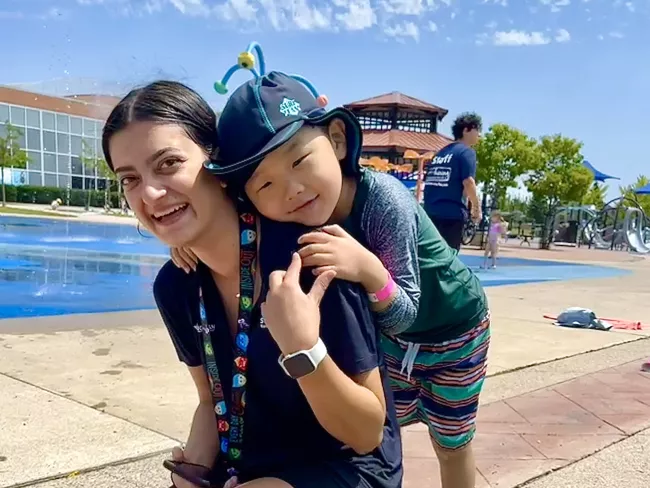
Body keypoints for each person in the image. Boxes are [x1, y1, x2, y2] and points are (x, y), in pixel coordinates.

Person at [175, 71, 490, 488]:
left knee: (450, 439)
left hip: (452, 328)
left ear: (337, 140)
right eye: (265, 183)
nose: (293, 190)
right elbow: (224, 218)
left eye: (301, 161)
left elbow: (404, 312)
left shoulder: (383, 199)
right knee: (382, 426)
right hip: (392, 341)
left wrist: (367, 269)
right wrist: (188, 237)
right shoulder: (283, 222)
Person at [102, 80, 402, 488]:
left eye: (168, 164)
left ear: (218, 166)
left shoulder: (309, 259)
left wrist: (302, 349)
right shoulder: (176, 286)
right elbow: (211, 402)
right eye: (129, 179)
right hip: (250, 467)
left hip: (345, 466)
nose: (150, 193)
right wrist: (191, 470)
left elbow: (367, 434)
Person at [422, 112, 483, 251]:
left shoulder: (441, 153)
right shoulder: (466, 152)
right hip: (451, 215)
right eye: (477, 130)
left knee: (431, 256)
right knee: (448, 259)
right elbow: (468, 182)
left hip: (430, 214)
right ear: (466, 130)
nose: (479, 135)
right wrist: (476, 209)